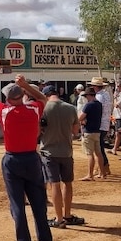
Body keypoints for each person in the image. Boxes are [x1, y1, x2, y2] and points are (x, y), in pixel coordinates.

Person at [0, 59, 52, 241]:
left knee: (17, 205)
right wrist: (25, 85)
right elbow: (42, 98)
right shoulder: (33, 110)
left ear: (7, 98)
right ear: (21, 96)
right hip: (32, 158)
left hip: (13, 160)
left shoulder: (5, 112)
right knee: (39, 204)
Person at [40, 85, 83, 229]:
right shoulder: (70, 108)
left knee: (54, 184)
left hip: (49, 152)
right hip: (66, 151)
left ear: (46, 95)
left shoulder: (43, 109)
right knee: (68, 183)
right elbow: (75, 131)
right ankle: (68, 215)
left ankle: (59, 219)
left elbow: (39, 130)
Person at [78, 88, 105, 181]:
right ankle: (102, 173)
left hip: (88, 131)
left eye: (86, 96)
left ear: (89, 95)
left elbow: (80, 117)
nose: (86, 98)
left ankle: (90, 175)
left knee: (89, 154)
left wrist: (82, 120)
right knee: (99, 153)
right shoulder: (99, 104)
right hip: (97, 131)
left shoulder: (88, 105)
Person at [89, 77, 112, 177]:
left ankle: (103, 168)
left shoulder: (99, 96)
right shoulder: (106, 94)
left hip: (99, 124)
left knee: (98, 148)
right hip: (105, 123)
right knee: (100, 147)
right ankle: (104, 167)